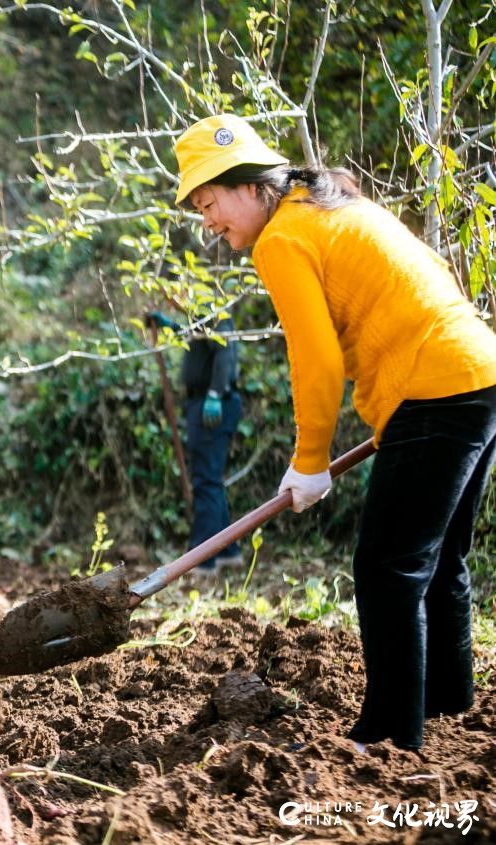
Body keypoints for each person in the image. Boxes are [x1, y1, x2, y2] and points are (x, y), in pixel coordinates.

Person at [173, 113, 496, 752]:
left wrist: (310, 457)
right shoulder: (332, 206)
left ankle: (388, 734)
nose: (209, 222)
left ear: (247, 185)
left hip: (435, 389)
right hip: (476, 372)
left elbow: (316, 359)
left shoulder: (283, 237)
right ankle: (448, 700)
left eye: (210, 202)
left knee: (387, 566)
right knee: (437, 559)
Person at [145, 310, 242, 575]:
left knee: (206, 480)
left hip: (213, 404)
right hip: (203, 402)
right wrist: (169, 326)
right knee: (210, 478)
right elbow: (196, 335)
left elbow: (224, 351)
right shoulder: (199, 315)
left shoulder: (215, 310)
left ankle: (203, 558)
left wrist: (214, 393)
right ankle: (226, 551)